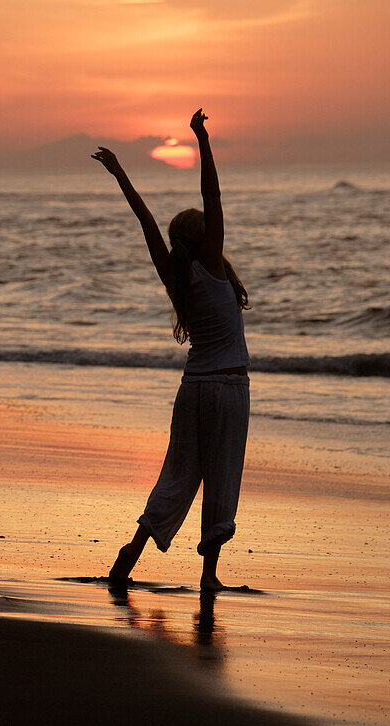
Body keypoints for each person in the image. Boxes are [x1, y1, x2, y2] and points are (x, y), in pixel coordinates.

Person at [91, 109, 251, 593]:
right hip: (227, 388)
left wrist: (121, 173)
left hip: (192, 390)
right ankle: (208, 575)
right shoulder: (212, 267)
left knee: (179, 474)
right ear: (205, 239)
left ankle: (132, 552)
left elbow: (144, 219)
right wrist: (201, 138)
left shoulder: (174, 276)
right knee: (220, 478)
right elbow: (213, 194)